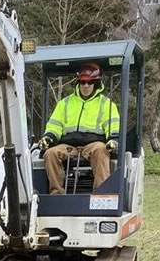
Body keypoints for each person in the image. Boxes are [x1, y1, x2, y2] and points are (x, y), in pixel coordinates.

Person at [39, 63, 120, 194]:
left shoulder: (106, 104)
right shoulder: (65, 103)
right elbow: (55, 125)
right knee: (50, 153)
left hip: (93, 145)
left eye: (90, 82)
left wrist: (114, 140)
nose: (86, 86)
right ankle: (57, 195)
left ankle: (101, 194)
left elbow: (113, 125)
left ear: (97, 83)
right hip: (68, 146)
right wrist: (48, 138)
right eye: (82, 82)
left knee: (101, 150)